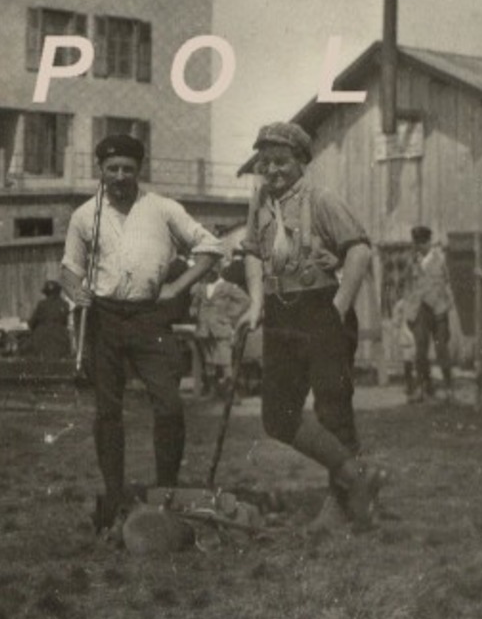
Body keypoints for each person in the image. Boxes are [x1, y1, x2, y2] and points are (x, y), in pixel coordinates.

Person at [61, 133, 224, 528]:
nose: (120, 176)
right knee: (107, 412)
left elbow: (210, 248)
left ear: (139, 170)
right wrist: (74, 289)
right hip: (104, 317)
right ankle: (115, 495)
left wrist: (175, 287)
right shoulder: (84, 215)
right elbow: (69, 269)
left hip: (150, 318)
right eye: (112, 169)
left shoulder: (163, 209)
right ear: (100, 170)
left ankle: (166, 492)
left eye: (128, 169)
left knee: (169, 405)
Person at [235, 122, 386, 533]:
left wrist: (338, 307)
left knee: (332, 408)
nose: (273, 170)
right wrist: (256, 301)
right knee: (277, 416)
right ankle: (358, 476)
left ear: (301, 161)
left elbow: (358, 250)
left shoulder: (321, 200)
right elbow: (251, 251)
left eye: (281, 162)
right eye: (265, 162)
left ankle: (341, 507)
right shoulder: (261, 202)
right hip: (283, 315)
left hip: (322, 309)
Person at [404, 224, 454, 401]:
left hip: (439, 309)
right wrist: (410, 312)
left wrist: (444, 303)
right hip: (420, 310)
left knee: (441, 349)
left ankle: (449, 387)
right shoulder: (412, 261)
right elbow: (409, 287)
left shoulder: (439, 259)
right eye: (417, 243)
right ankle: (424, 387)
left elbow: (447, 283)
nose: (419, 246)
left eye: (422, 242)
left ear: (429, 242)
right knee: (420, 351)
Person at [190, 266, 250, 393]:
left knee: (225, 359)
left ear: (216, 273)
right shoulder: (201, 287)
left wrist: (230, 314)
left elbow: (245, 301)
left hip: (221, 327)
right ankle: (211, 389)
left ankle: (230, 390)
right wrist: (194, 311)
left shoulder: (227, 287)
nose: (206, 277)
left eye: (209, 274)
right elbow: (194, 303)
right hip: (204, 328)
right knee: (208, 359)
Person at [26, 280, 72, 359]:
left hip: (43, 340)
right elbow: (66, 323)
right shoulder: (65, 305)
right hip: (60, 340)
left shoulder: (42, 304)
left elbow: (32, 323)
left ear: (46, 293)